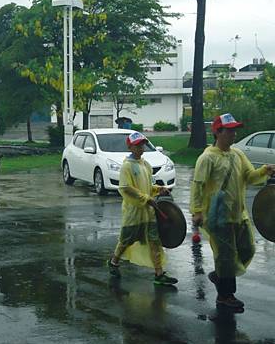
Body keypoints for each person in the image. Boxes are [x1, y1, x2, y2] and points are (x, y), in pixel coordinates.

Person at [190, 113, 275, 309]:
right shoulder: (207, 158)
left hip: (239, 213)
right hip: (218, 217)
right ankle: (225, 295)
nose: (234, 134)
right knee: (226, 256)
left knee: (247, 250)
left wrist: (264, 171)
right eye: (230, 130)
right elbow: (198, 186)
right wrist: (197, 211)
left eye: (235, 129)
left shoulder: (238, 154)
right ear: (218, 132)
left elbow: (250, 177)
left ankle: (220, 276)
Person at [107, 132, 178, 286]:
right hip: (134, 213)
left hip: (149, 212)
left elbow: (146, 186)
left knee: (154, 241)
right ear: (130, 147)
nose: (141, 148)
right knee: (126, 240)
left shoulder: (145, 165)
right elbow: (125, 188)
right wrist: (146, 199)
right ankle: (114, 261)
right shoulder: (127, 166)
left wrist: (158, 189)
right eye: (137, 145)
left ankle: (159, 273)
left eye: (142, 144)